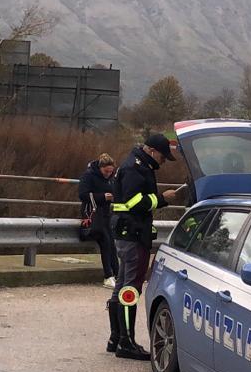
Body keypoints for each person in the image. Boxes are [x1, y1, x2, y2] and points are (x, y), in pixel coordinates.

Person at [107, 133, 180, 360]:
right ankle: (126, 343)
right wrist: (162, 198)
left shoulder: (135, 164)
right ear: (151, 151)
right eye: (162, 156)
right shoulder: (135, 168)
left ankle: (116, 338)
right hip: (133, 233)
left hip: (128, 232)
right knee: (130, 289)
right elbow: (134, 201)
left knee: (122, 286)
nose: (163, 161)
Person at [77, 154, 117, 285]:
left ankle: (116, 274)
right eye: (106, 171)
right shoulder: (88, 175)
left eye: (110, 172)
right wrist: (102, 197)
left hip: (105, 213)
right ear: (100, 168)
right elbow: (82, 195)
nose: (108, 174)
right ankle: (108, 275)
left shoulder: (110, 178)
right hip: (93, 213)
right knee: (105, 241)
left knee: (111, 244)